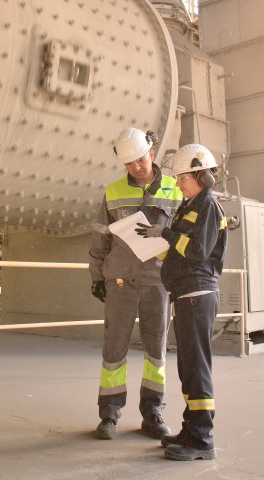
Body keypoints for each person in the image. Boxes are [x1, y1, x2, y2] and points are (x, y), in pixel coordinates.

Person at [88, 127, 184, 441]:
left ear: (151, 155)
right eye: (129, 164)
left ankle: (153, 414)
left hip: (159, 282)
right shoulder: (113, 191)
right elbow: (101, 236)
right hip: (120, 282)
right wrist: (96, 276)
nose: (136, 168)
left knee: (156, 351)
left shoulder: (174, 189)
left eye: (140, 160)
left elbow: (186, 237)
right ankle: (109, 416)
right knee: (113, 350)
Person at [135, 143, 228, 461]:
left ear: (203, 176)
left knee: (197, 369)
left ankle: (202, 441)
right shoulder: (190, 207)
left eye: (183, 177)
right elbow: (184, 248)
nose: (177, 182)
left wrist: (167, 235)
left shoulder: (207, 207)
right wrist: (159, 239)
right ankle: (191, 431)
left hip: (197, 296)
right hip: (186, 295)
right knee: (188, 367)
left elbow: (198, 251)